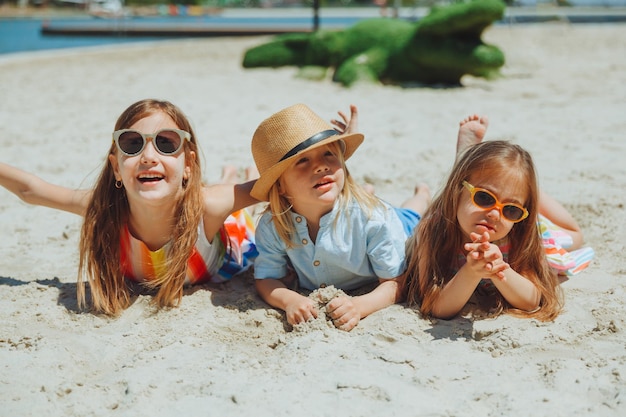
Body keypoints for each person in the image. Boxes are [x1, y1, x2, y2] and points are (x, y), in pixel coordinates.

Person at [0, 99, 259, 316]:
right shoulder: (105, 209)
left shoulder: (209, 206)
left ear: (188, 166)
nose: (148, 156)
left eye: (166, 143)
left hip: (232, 237)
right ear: (116, 168)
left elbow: (269, 188)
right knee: (224, 191)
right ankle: (229, 176)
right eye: (132, 144)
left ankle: (233, 177)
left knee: (242, 208)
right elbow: (31, 190)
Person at [249, 103, 430, 332]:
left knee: (412, 215)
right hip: (362, 210)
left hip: (399, 227)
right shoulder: (272, 225)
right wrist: (289, 300)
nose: (321, 166)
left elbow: (395, 283)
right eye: (302, 160)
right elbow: (266, 280)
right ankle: (398, 193)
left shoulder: (372, 218)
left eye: (328, 154)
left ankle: (422, 195)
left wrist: (359, 306)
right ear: (281, 187)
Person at [404, 127, 594, 322]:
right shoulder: (433, 230)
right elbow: (436, 307)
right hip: (451, 208)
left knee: (576, 236)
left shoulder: (520, 235)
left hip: (536, 228)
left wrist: (499, 269)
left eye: (512, 208)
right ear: (456, 190)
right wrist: (471, 271)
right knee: (414, 210)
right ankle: (424, 192)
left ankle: (528, 194)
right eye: (484, 197)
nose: (495, 214)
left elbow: (531, 300)